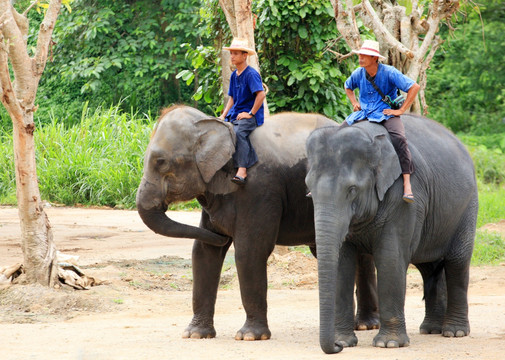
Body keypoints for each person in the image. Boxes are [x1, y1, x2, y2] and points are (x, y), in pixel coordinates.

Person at [343, 39, 420, 203]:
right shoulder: (358, 73)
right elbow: (347, 86)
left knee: (399, 139)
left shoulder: (389, 72)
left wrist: (400, 110)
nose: (361, 58)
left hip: (385, 113)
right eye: (360, 55)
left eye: (365, 55)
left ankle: (407, 183)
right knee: (337, 135)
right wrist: (354, 103)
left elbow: (414, 87)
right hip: (364, 113)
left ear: (375, 58)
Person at [219, 38, 266, 185]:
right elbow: (231, 98)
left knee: (239, 133)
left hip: (249, 116)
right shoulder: (234, 75)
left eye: (236, 53)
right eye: (231, 53)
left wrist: (250, 113)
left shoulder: (251, 74)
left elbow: (261, 94)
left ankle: (242, 170)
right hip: (236, 114)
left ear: (245, 56)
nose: (232, 56)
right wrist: (223, 115)